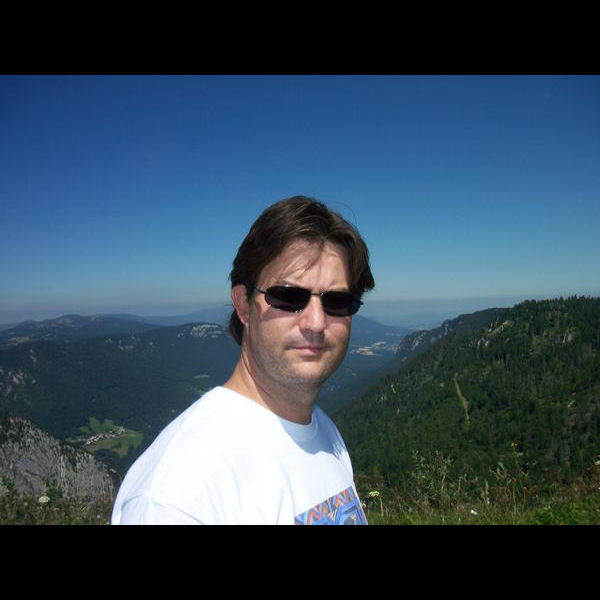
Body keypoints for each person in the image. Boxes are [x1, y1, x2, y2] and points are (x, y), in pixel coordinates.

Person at [111, 195, 375, 524]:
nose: (316, 322)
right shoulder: (177, 495)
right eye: (288, 296)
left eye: (337, 301)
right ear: (243, 305)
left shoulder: (324, 433)